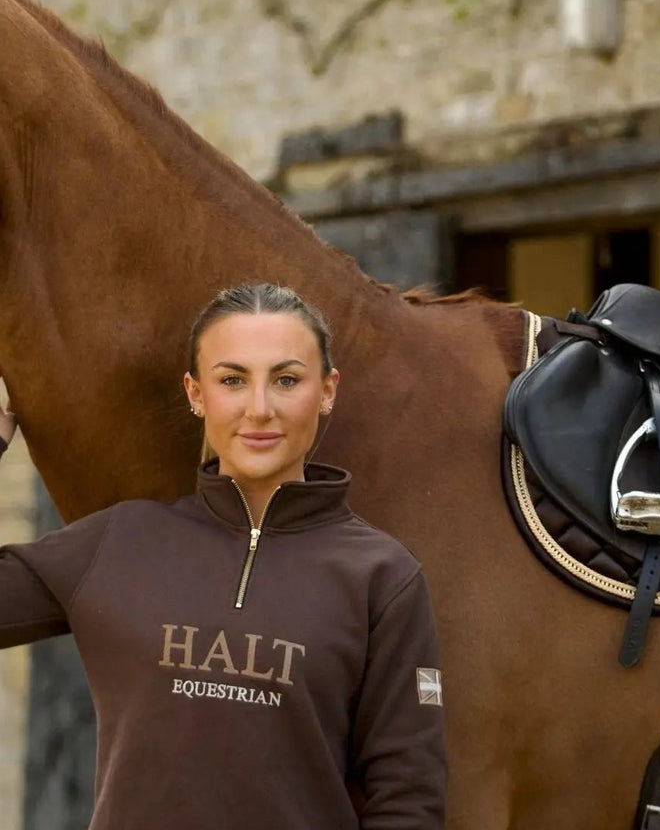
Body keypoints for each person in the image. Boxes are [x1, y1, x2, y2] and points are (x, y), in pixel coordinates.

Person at [0, 283, 446, 829]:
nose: (259, 409)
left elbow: (408, 799)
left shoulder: (384, 577)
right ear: (195, 393)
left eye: (286, 379)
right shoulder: (118, 542)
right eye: (232, 380)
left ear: (327, 390)